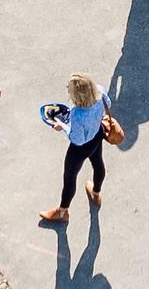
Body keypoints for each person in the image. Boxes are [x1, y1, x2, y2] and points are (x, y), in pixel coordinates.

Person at [45, 74, 110, 227]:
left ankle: (62, 212)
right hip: (97, 135)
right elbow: (109, 105)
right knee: (98, 163)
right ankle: (96, 194)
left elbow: (78, 139)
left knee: (70, 177)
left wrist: (63, 127)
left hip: (80, 149)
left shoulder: (78, 114)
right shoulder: (100, 93)